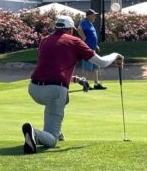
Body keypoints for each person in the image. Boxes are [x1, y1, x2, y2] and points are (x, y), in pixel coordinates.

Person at [22, 15, 124, 154]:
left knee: (62, 100)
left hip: (34, 89)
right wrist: (116, 54)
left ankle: (57, 131)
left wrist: (76, 79)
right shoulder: (74, 41)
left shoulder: (45, 41)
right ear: (70, 29)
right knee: (51, 140)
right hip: (54, 91)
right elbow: (102, 62)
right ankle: (35, 133)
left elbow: (51, 69)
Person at [76, 8, 106, 90]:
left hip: (93, 49)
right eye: (93, 15)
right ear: (89, 16)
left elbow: (92, 35)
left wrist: (96, 45)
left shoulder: (90, 23)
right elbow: (79, 28)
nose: (94, 17)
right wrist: (83, 37)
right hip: (87, 49)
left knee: (95, 67)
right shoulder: (84, 22)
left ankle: (96, 84)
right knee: (86, 68)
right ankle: (84, 84)